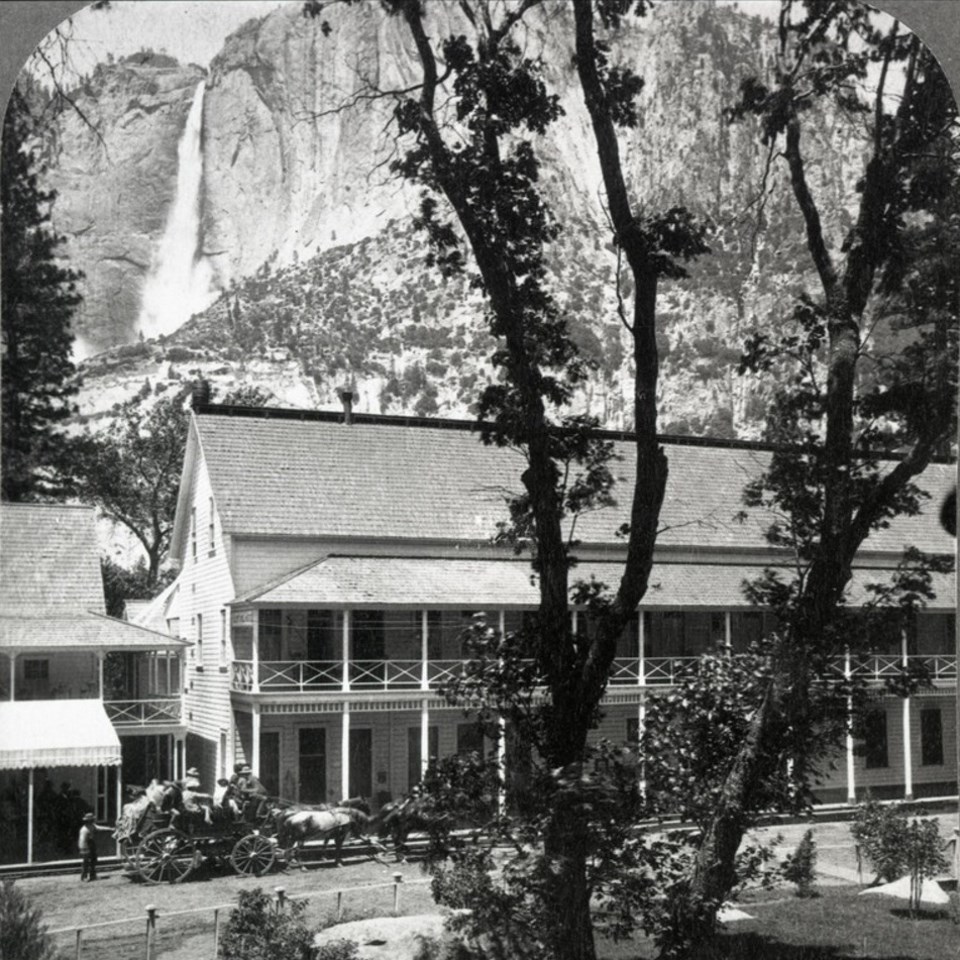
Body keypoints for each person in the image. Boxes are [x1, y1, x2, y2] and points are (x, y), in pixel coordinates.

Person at [78, 812, 108, 881]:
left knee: (93, 860)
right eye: (92, 819)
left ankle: (92, 875)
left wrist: (110, 829)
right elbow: (82, 840)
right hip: (85, 846)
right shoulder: (84, 829)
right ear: (89, 820)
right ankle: (84, 876)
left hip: (90, 844)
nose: (93, 820)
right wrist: (86, 849)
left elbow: (100, 828)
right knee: (86, 862)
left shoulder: (92, 826)